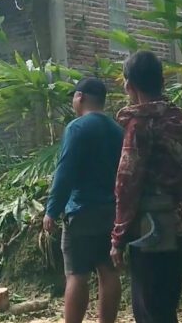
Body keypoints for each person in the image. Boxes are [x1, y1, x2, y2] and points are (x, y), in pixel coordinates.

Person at [110, 51, 182, 323]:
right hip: (181, 224)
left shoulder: (140, 125)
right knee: (166, 305)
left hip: (151, 230)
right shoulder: (180, 119)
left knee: (148, 310)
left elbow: (127, 182)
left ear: (129, 85)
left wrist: (118, 238)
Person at [43, 77, 123, 323]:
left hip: (81, 212)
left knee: (77, 274)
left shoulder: (77, 128)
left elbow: (65, 172)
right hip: (112, 211)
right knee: (108, 270)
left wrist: (52, 210)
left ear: (80, 97)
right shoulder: (117, 129)